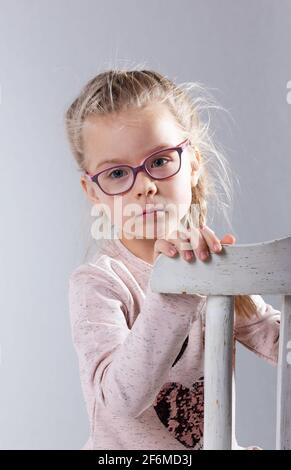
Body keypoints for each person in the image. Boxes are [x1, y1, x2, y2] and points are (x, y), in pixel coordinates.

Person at [65, 69, 280, 450]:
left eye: (160, 161)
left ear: (193, 162)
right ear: (92, 191)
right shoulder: (99, 283)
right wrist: (177, 290)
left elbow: (274, 337)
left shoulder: (210, 263)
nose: (145, 186)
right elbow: (121, 399)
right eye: (117, 173)